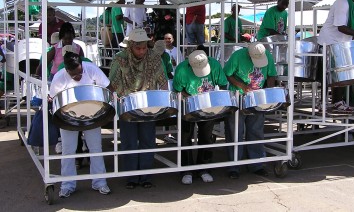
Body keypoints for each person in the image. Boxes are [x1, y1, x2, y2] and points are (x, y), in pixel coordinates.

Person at [109, 28, 167, 189]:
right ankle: (131, 177)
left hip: (148, 105)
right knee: (129, 142)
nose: (142, 51)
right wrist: (119, 100)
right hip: (127, 106)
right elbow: (112, 84)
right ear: (130, 46)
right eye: (138, 48)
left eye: (144, 48)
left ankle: (146, 176)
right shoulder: (119, 59)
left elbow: (162, 81)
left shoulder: (154, 58)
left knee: (148, 141)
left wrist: (164, 100)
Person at [49, 52, 112, 198]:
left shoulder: (90, 68)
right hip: (69, 116)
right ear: (67, 70)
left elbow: (108, 86)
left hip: (91, 114)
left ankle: (100, 182)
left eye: (80, 73)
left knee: (96, 148)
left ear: (81, 65)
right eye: (74, 75)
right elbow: (53, 99)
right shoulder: (59, 77)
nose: (78, 77)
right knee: (68, 150)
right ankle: (67, 185)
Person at [173, 50, 228, 185]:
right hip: (188, 106)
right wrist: (192, 100)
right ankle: (186, 171)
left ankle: (204, 169)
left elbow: (222, 84)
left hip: (208, 106)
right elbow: (178, 90)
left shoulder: (214, 65)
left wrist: (214, 98)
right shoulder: (182, 69)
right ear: (190, 65)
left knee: (206, 137)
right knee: (185, 138)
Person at [223, 42, 277, 179]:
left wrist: (268, 91)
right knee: (235, 132)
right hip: (238, 97)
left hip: (257, 98)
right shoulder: (237, 56)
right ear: (248, 53)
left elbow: (271, 75)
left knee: (256, 131)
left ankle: (257, 164)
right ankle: (234, 166)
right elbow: (227, 75)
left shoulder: (267, 56)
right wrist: (242, 85)